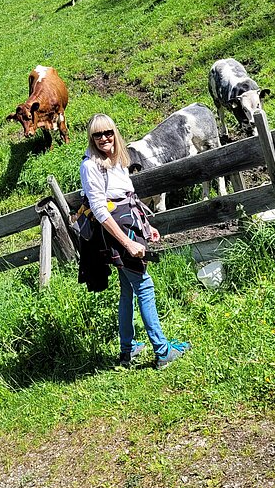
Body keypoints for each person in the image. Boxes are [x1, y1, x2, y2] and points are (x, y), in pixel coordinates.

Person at [79, 113, 191, 369]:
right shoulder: (90, 166)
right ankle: (162, 352)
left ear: (114, 133)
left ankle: (127, 350)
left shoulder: (117, 159)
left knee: (128, 289)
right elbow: (100, 210)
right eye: (97, 135)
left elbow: (128, 195)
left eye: (108, 133)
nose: (104, 138)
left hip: (131, 222)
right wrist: (128, 243)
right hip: (117, 230)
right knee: (144, 287)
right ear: (91, 138)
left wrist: (147, 225)